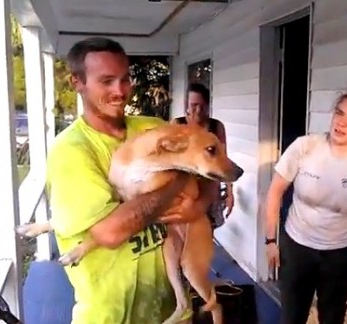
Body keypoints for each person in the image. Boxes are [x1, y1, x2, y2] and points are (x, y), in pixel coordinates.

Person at [47, 37, 214, 324]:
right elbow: (111, 233)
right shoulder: (72, 151)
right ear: (77, 82)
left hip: (172, 311)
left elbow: (211, 169)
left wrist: (199, 206)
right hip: (112, 316)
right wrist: (176, 181)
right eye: (107, 81)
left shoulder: (153, 128)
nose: (120, 91)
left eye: (125, 79)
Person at [264, 89, 347, 324]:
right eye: (339, 113)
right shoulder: (305, 146)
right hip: (297, 247)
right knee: (291, 318)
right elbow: (274, 193)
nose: (341, 123)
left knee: (332, 319)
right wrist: (270, 241)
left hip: (340, 257)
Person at [171, 83, 234, 227]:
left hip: (210, 190)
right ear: (186, 105)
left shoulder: (216, 127)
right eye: (194, 105)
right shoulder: (178, 124)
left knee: (207, 229)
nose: (198, 110)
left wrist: (230, 192)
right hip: (185, 191)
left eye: (202, 106)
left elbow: (223, 159)